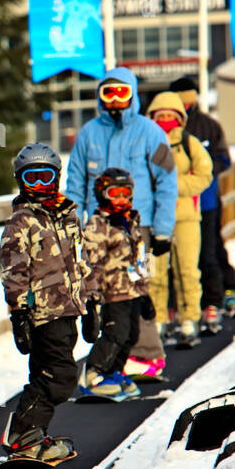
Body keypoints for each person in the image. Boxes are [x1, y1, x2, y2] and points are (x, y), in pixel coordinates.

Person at [65, 66, 177, 382]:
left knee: (138, 288)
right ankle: (113, 357)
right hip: (97, 229)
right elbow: (74, 182)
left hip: (136, 228)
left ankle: (146, 353)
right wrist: (72, 227)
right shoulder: (88, 134)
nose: (115, 101)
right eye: (108, 94)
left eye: (122, 93)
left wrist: (164, 229)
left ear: (132, 96)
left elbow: (167, 180)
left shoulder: (151, 132)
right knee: (104, 290)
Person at [0, 142, 97, 465]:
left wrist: (91, 303)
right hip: (41, 313)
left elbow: (82, 262)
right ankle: (23, 433)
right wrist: (19, 313)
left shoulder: (68, 216)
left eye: (45, 177)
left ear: (56, 178)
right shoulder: (21, 222)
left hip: (68, 309)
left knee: (52, 374)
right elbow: (14, 271)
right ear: (20, 182)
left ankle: (32, 433)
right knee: (59, 375)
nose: (39, 186)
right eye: (31, 179)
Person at [171, 77, 235, 328]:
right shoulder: (162, 128)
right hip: (176, 203)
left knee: (210, 249)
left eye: (187, 96)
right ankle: (183, 305)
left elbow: (224, 159)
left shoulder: (208, 125)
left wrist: (202, 170)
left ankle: (221, 294)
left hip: (206, 199)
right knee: (178, 256)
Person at [77, 168, 154, 400]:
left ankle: (114, 372)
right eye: (115, 193)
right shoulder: (98, 225)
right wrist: (91, 298)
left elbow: (138, 258)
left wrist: (145, 292)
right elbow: (91, 264)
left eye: (125, 193)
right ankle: (93, 374)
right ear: (103, 195)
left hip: (131, 290)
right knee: (115, 333)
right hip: (111, 293)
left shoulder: (130, 220)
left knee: (131, 334)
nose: (121, 198)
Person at [144, 91, 213, 349]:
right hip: (153, 217)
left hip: (185, 216)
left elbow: (205, 175)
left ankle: (189, 319)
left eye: (170, 116)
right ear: (151, 117)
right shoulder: (145, 142)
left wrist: (172, 186)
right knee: (156, 273)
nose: (164, 120)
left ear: (180, 118)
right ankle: (159, 320)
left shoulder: (189, 142)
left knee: (187, 270)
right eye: (159, 115)